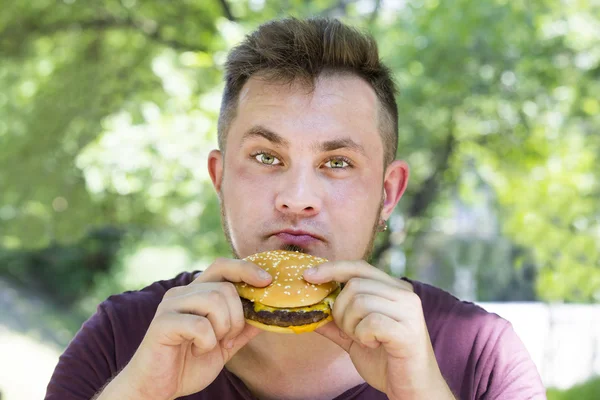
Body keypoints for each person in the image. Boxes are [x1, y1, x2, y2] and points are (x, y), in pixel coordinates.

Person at [45, 17, 546, 400]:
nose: (297, 197)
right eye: (267, 157)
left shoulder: (483, 357)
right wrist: (139, 391)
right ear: (220, 179)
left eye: (338, 162)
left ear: (388, 194)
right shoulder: (123, 338)